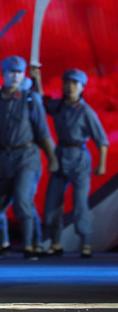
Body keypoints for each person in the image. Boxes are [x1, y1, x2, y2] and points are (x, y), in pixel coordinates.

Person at [0, 56, 57, 259]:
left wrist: (52, 159)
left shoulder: (30, 98)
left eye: (19, 73)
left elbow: (43, 132)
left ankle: (32, 245)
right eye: (11, 72)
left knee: (23, 201)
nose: (15, 76)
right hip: (2, 157)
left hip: (26, 157)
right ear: (4, 74)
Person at [32, 67, 109, 258]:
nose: (71, 87)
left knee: (80, 203)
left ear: (82, 87)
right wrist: (37, 79)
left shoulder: (85, 111)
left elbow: (102, 140)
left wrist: (102, 164)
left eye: (75, 83)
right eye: (67, 82)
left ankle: (86, 243)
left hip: (79, 159)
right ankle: (55, 243)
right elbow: (42, 101)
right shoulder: (58, 105)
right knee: (52, 204)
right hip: (60, 156)